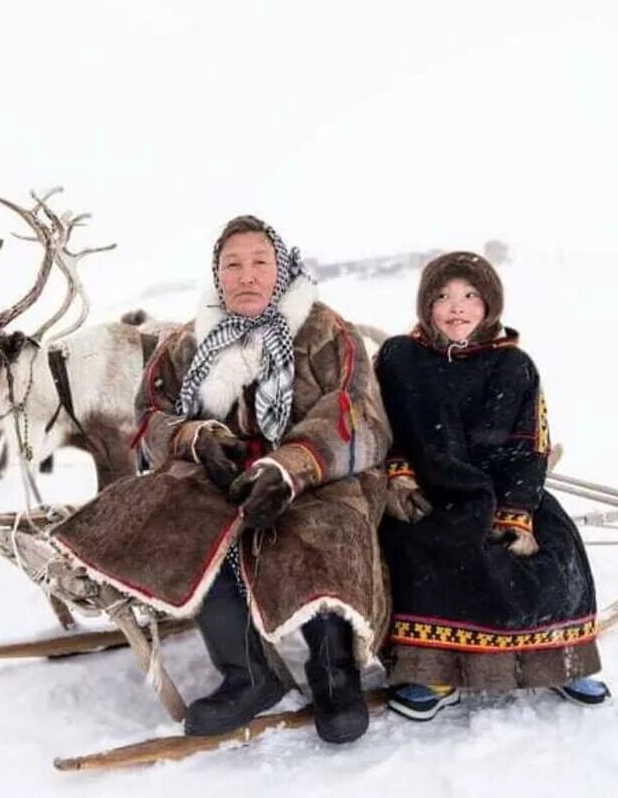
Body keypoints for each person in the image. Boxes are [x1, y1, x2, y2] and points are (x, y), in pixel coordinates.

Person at [51, 215, 391, 743]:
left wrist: (290, 466)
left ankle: (333, 671)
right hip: (223, 478)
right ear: (218, 275)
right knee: (181, 519)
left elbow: (358, 415)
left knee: (325, 528)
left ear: (280, 268)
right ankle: (248, 673)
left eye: (260, 262)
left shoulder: (325, 332)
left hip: (315, 476)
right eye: (233, 265)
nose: (247, 275)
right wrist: (195, 439)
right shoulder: (187, 343)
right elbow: (149, 416)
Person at [374, 251, 609, 722]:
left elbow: (529, 447)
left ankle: (559, 658)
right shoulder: (402, 358)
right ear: (426, 305)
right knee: (427, 548)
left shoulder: (513, 365)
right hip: (428, 491)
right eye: (442, 296)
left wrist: (517, 512)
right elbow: (383, 428)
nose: (456, 307)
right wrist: (397, 480)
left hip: (503, 488)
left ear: (490, 306)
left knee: (556, 546)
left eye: (469, 296)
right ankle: (432, 672)